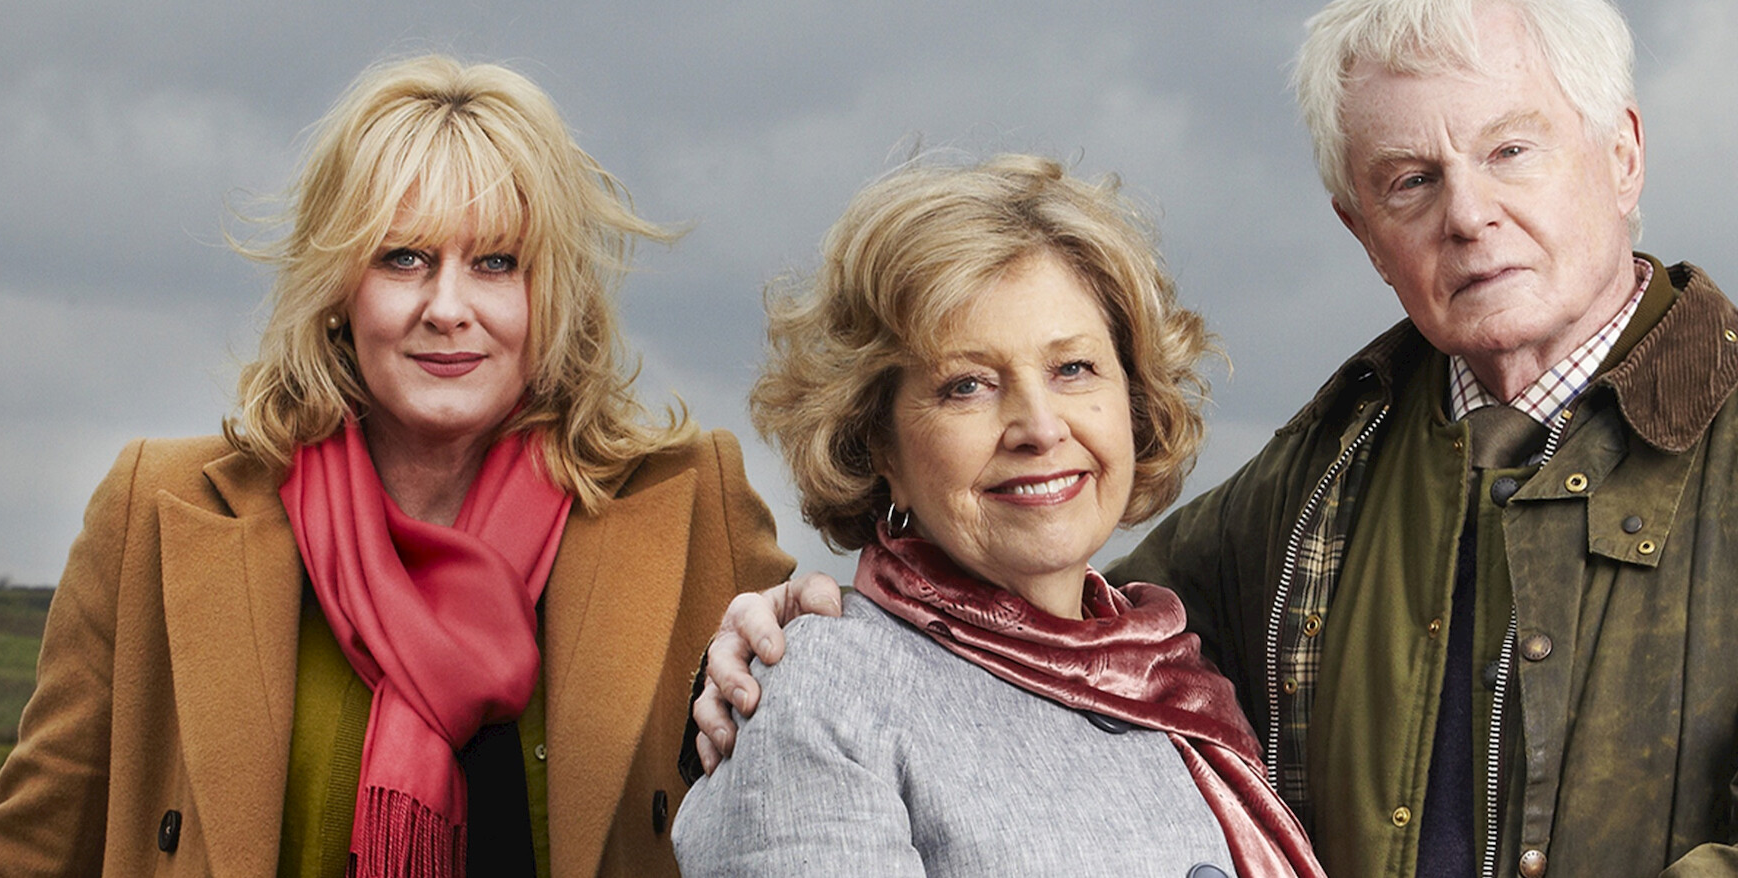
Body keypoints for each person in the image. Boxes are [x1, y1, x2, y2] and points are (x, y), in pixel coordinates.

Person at [693, 1, 1738, 875]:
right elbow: (1041, 634)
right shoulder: (1326, 471)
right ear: (1362, 230)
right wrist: (784, 653)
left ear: (1623, 153)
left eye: (1511, 149)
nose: (1469, 214)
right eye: (1410, 179)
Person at [0, 54, 793, 878]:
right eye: (404, 258)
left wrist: (814, 653)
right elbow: (25, 860)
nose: (448, 308)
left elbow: (807, 813)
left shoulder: (693, 505)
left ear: (554, 293)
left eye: (496, 262)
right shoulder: (156, 510)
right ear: (337, 288)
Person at [671, 155, 1323, 877]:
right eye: (968, 385)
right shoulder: (822, 694)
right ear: (879, 442)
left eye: (1073, 369)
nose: (1039, 427)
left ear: (1134, 401)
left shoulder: (1180, 679)